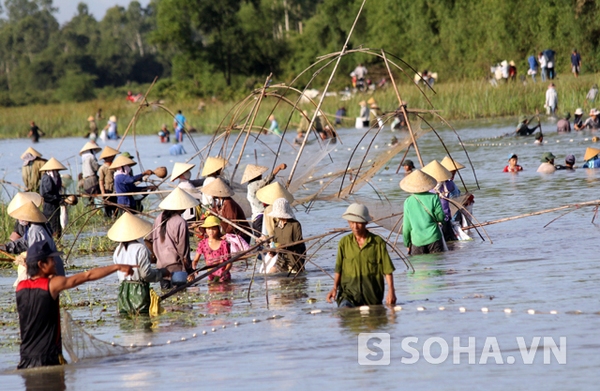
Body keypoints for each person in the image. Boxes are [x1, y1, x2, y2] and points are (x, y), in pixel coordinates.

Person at [16, 240, 134, 369]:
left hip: (26, 357)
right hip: (48, 358)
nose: (55, 262)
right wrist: (117, 267)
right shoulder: (52, 285)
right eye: (51, 259)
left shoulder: (20, 287)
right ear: (41, 264)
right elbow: (87, 276)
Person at [325, 203, 396, 307]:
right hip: (348, 294)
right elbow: (338, 269)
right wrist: (335, 288)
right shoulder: (344, 243)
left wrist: (391, 291)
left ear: (366, 222)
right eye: (351, 222)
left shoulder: (378, 243)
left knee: (374, 320)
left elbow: (387, 270)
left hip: (371, 296)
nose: (355, 226)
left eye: (358, 223)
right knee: (345, 311)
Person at [108, 212, 169, 315]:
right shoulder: (140, 248)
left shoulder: (118, 250)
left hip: (123, 292)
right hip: (138, 291)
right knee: (142, 319)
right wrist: (161, 273)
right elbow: (146, 275)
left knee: (126, 321)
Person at [151, 188, 197, 288]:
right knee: (179, 299)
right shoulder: (180, 222)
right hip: (176, 268)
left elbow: (152, 241)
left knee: (167, 299)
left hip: (161, 267)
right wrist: (190, 270)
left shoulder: (158, 219)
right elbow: (183, 251)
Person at [8, 201, 65, 276]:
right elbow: (25, 242)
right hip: (51, 266)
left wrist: (28, 262)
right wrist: (6, 247)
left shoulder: (36, 230)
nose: (20, 219)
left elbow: (38, 253)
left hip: (50, 269)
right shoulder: (34, 228)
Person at [400, 169, 446, 255]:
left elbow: (406, 227)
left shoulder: (408, 202)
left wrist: (407, 243)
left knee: (419, 266)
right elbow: (441, 217)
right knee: (437, 265)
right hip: (434, 238)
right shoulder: (434, 197)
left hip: (417, 241)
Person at [241, 163, 286, 237]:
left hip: (256, 217)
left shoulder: (250, 186)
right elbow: (267, 179)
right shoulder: (254, 185)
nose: (261, 175)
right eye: (260, 174)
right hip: (260, 216)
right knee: (264, 237)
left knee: (260, 238)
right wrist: (278, 168)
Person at [201, 178, 251, 244]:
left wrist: (226, 235)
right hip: (230, 234)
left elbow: (232, 223)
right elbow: (213, 214)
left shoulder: (228, 203)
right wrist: (204, 221)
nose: (211, 195)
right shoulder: (218, 202)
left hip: (239, 235)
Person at [266, 198, 306, 273]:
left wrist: (283, 246)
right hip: (281, 259)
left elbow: (299, 243)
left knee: (294, 281)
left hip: (293, 259)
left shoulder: (295, 225)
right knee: (270, 273)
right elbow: (275, 243)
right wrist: (272, 251)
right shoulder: (277, 226)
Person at [421, 160, 457, 242]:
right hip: (442, 218)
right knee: (449, 241)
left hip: (434, 219)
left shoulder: (429, 187)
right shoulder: (449, 184)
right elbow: (451, 187)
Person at [192, 216, 231, 283]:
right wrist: (194, 269)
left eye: (214, 229)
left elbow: (229, 262)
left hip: (223, 276)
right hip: (211, 275)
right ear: (205, 230)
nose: (211, 231)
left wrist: (225, 271)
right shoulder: (202, 244)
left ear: (218, 229)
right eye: (209, 229)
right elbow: (195, 260)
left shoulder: (224, 244)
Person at [39, 158, 67, 238]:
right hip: (49, 207)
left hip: (55, 206)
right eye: (56, 170)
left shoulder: (55, 177)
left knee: (57, 224)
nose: (57, 172)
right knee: (52, 225)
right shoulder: (47, 178)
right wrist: (58, 199)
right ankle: (54, 241)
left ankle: (57, 239)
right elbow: (46, 195)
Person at [98, 146, 119, 218]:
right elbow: (101, 181)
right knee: (108, 208)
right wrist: (103, 192)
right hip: (108, 190)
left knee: (116, 206)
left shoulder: (115, 166)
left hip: (115, 189)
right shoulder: (102, 168)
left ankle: (115, 217)